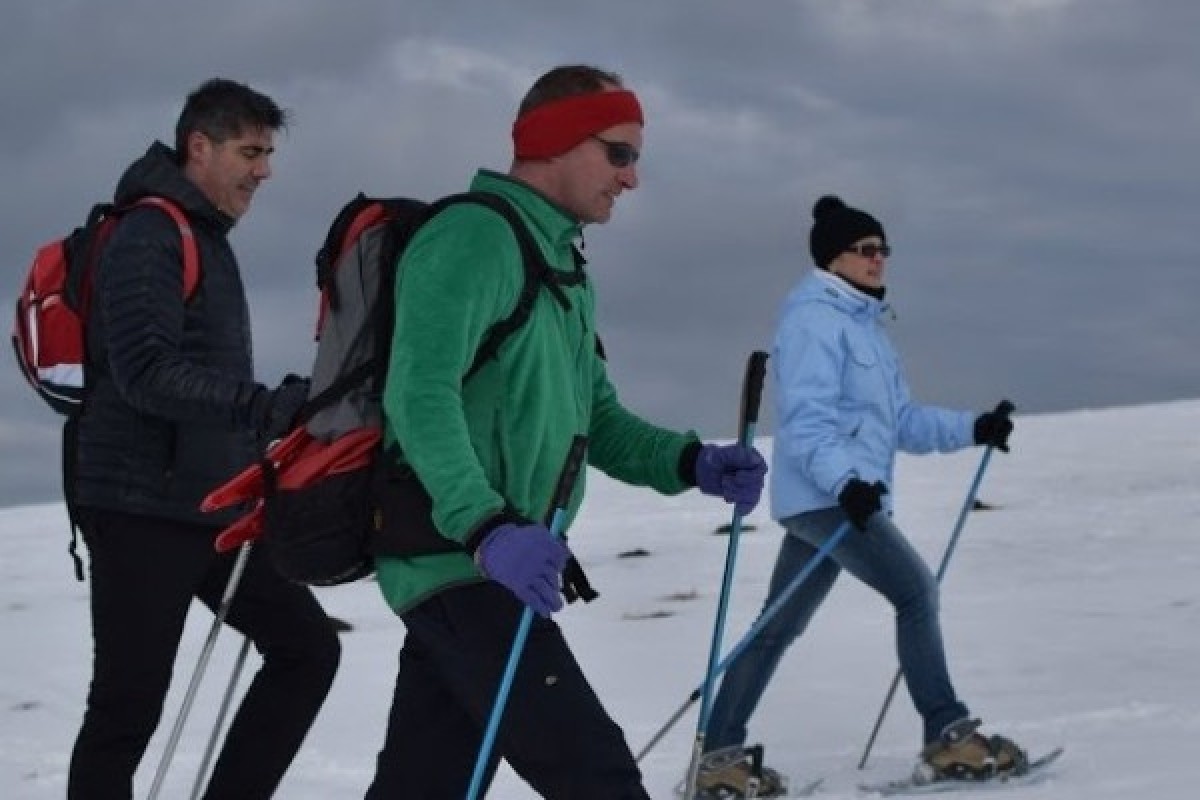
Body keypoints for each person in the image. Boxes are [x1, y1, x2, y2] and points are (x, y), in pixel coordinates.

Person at [364, 64, 768, 800]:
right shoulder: (473, 238)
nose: (631, 178)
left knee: (426, 785)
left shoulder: (561, 265)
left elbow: (598, 421)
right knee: (597, 776)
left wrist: (691, 461)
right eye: (619, 153)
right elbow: (417, 395)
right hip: (461, 561)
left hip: (489, 570)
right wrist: (486, 528)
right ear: (555, 140)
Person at [69, 78, 341, 799]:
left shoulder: (202, 236)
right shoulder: (149, 233)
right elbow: (146, 374)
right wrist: (263, 407)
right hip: (139, 506)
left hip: (209, 507)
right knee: (127, 707)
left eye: (268, 154)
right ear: (200, 146)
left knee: (307, 651)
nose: (265, 171)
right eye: (250, 152)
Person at [697, 195, 1023, 796]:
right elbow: (807, 424)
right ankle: (947, 733)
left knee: (776, 626)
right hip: (830, 499)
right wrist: (846, 483)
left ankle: (717, 759)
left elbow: (902, 422)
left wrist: (975, 427)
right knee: (915, 591)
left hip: (839, 499)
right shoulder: (813, 322)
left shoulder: (865, 329)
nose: (878, 259)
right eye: (865, 249)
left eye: (883, 249)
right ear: (833, 258)